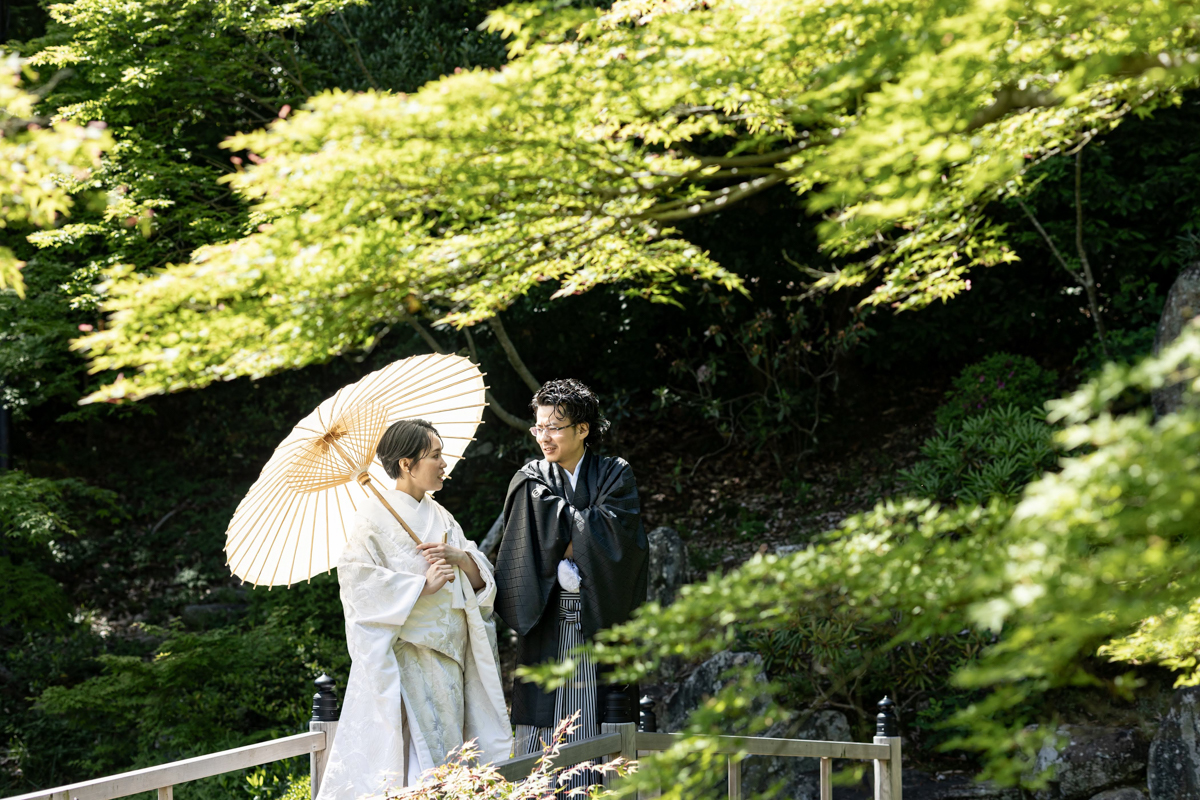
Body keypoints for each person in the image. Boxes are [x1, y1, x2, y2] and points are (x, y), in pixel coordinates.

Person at [317, 419, 511, 800]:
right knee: (420, 761)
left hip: (453, 655)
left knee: (454, 753)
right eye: (435, 456)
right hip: (409, 658)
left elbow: (481, 578)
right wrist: (420, 586)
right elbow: (358, 585)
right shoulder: (371, 520)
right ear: (407, 464)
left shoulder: (441, 515)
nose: (443, 464)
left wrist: (461, 558)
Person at [494, 379, 648, 763]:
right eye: (538, 427)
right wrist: (585, 531)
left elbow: (620, 540)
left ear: (583, 429)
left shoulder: (615, 473)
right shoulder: (531, 477)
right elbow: (525, 545)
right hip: (548, 618)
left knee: (603, 714)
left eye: (554, 428)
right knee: (544, 729)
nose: (543, 437)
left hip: (602, 616)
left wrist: (558, 531)